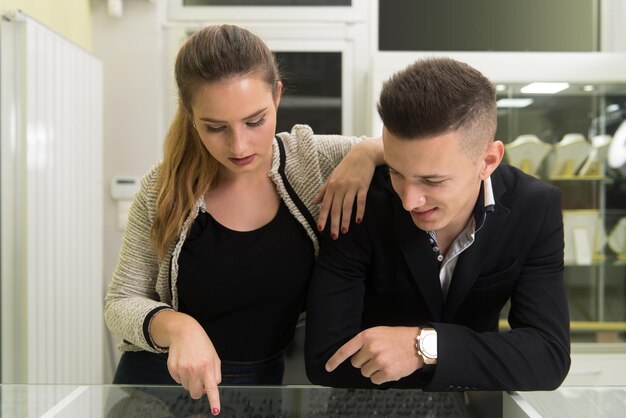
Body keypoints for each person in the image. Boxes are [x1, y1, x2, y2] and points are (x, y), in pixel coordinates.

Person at [104, 24, 383, 416]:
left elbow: (412, 151)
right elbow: (120, 301)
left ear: (278, 95)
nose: (239, 146)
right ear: (190, 114)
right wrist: (178, 326)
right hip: (155, 388)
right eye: (215, 128)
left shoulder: (314, 159)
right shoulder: (162, 186)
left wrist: (368, 151)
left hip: (261, 387)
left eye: (255, 121)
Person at [305, 57, 571, 391]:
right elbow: (326, 361)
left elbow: (547, 357)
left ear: (488, 161)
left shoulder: (534, 207)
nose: (408, 200)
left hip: (474, 409)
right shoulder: (361, 205)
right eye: (397, 173)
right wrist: (482, 360)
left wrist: (425, 347)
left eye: (433, 180)